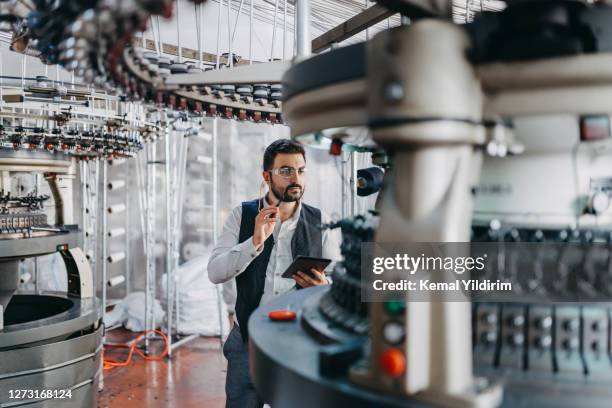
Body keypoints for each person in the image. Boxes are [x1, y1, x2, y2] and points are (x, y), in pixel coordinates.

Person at [207, 139, 341, 408]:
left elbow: (339, 282)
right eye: (286, 171)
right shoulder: (242, 216)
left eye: (301, 170)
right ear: (266, 176)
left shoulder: (321, 221)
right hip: (247, 340)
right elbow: (215, 272)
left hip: (300, 342)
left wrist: (324, 284)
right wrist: (254, 241)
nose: (296, 179)